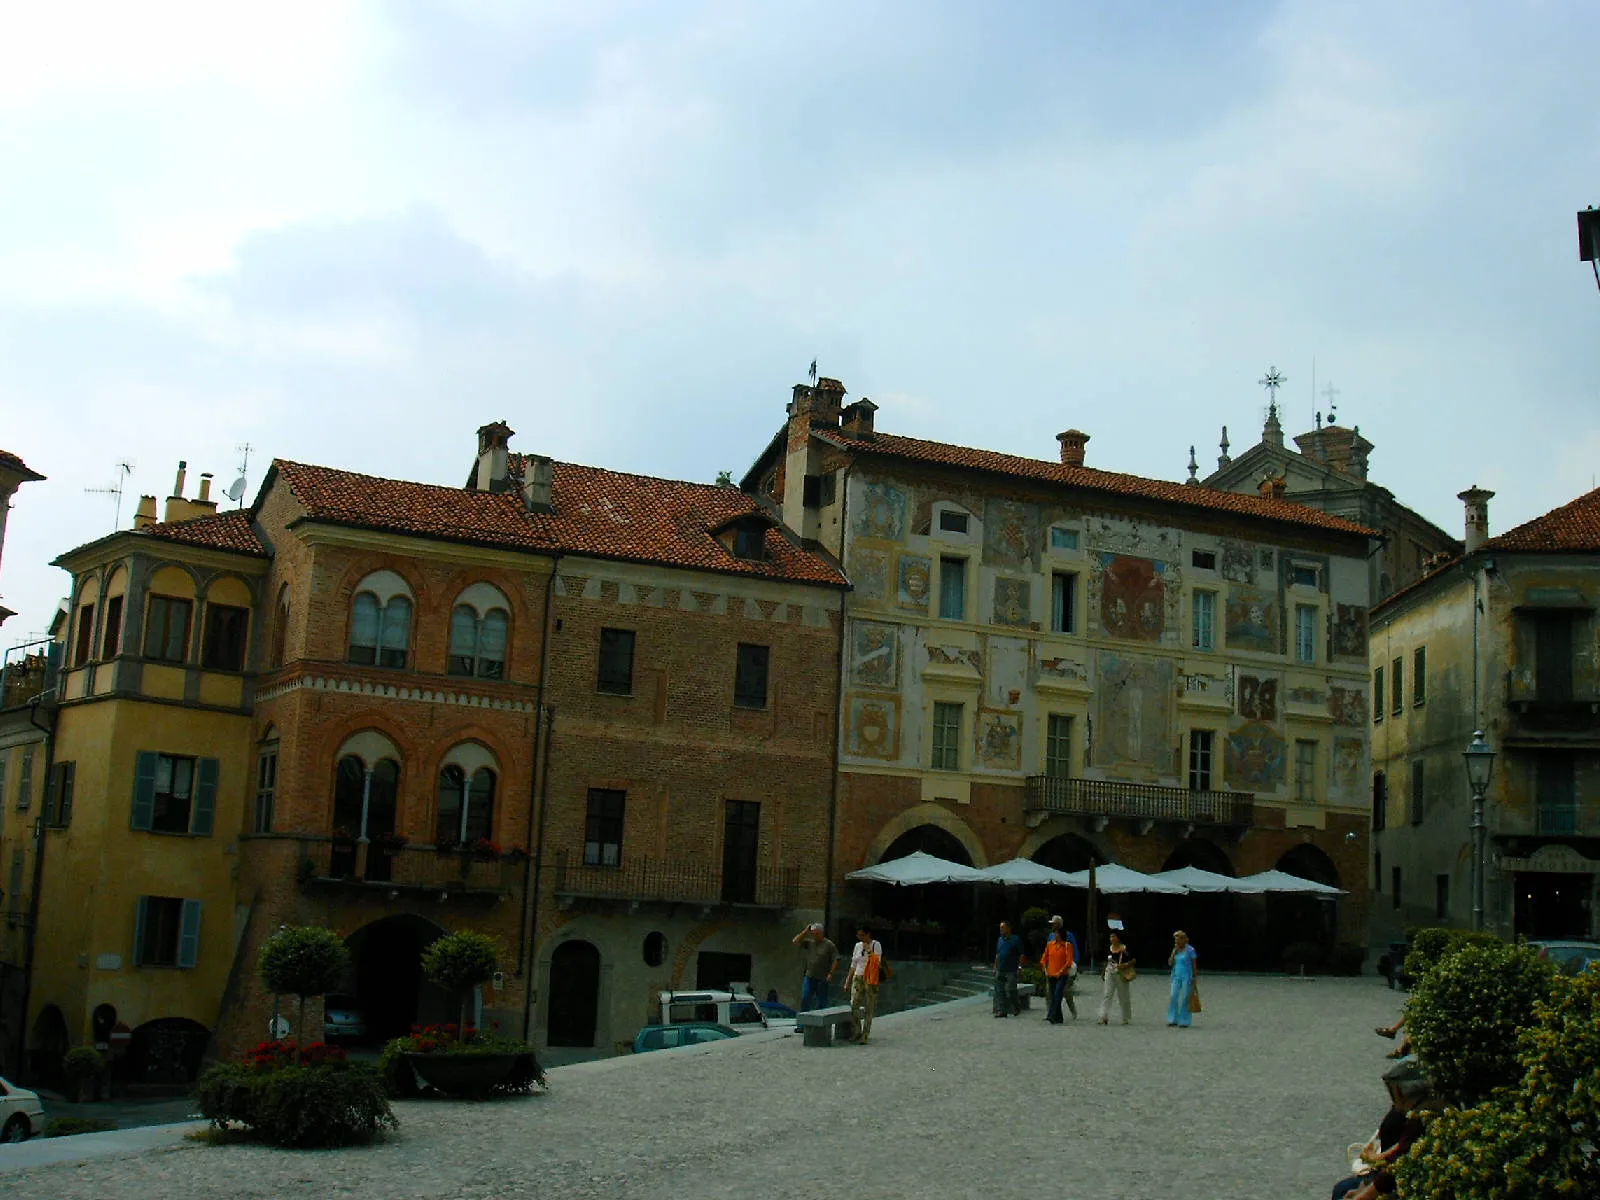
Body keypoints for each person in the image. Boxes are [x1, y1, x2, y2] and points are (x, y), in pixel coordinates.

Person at [1329, 1062, 1432, 1199]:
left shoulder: (1421, 1117)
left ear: (1400, 1092)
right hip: (1392, 1175)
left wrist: (1365, 1194)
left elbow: (1399, 1162)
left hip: (1407, 1183)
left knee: (1343, 1190)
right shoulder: (1416, 1111)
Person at [841, 925, 884, 1044]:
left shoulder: (876, 945)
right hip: (858, 976)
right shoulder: (857, 946)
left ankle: (865, 1034)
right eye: (858, 935)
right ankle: (857, 1031)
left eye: (862, 935)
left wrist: (869, 950)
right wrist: (847, 981)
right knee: (854, 1004)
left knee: (869, 1007)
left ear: (868, 934)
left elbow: (877, 962)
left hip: (870, 978)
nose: (860, 938)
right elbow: (853, 964)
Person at [790, 922, 839, 1012]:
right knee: (805, 998)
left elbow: (836, 959)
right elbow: (795, 941)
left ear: (822, 933)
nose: (815, 936)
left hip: (822, 978)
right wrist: (805, 931)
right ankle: (802, 1023)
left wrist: (831, 973)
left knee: (821, 1002)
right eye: (813, 934)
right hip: (810, 976)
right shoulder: (810, 942)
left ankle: (820, 1024)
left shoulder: (829, 945)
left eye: (817, 934)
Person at [1040, 915, 1077, 1023]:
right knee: (1052, 994)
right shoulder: (1050, 940)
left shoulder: (1068, 938)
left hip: (1063, 972)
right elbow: (1045, 956)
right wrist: (1044, 967)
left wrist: (1073, 967)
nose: (1052, 926)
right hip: (1051, 972)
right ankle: (1055, 1015)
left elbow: (1073, 954)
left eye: (1054, 923)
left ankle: (1060, 1013)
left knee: (1064, 993)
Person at [1097, 931, 1135, 1025]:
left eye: (1114, 936)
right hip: (1109, 972)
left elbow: (1133, 960)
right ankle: (1103, 1016)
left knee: (1123, 996)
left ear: (1118, 938)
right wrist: (1103, 973)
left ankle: (1126, 1018)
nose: (1112, 939)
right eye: (1111, 937)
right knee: (1107, 994)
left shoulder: (1124, 948)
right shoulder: (1108, 948)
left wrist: (1124, 964)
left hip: (1121, 973)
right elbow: (1106, 961)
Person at [1167, 930, 1198, 1028]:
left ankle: (1184, 1020)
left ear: (1184, 940)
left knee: (1185, 998)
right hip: (1176, 975)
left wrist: (1194, 977)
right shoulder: (1175, 950)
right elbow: (1170, 963)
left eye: (1178, 940)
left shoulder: (1190, 950)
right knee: (1173, 996)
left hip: (1187, 976)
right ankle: (1172, 1019)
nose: (1176, 942)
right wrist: (1173, 953)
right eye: (1175, 940)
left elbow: (1194, 965)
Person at [993, 920, 1024, 1017]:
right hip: (1000, 969)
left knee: (1011, 990)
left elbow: (1022, 954)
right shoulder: (1000, 940)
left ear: (1008, 928)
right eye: (1000, 928)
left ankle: (1016, 1006)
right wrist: (995, 967)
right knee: (1000, 990)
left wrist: (1020, 966)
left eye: (1003, 927)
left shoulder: (1015, 939)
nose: (1001, 930)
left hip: (1011, 969)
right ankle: (1002, 1011)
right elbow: (998, 954)